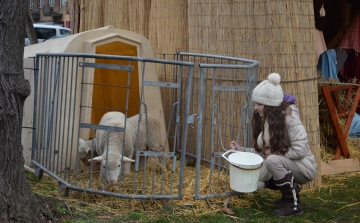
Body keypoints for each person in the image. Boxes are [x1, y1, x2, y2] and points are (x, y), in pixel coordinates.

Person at [229, 73, 317, 217]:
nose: (256, 108)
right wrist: (241, 150)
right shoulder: (268, 121)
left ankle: (294, 204)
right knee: (260, 172)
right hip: (285, 162)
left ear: (270, 105)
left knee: (271, 161)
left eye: (259, 104)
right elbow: (264, 152)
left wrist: (276, 155)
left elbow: (300, 150)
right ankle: (287, 195)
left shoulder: (290, 119)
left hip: (304, 167)